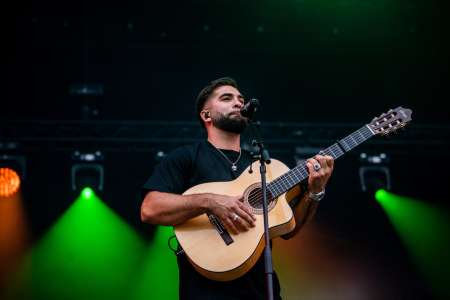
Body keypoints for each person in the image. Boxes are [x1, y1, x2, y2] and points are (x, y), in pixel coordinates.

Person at [140, 77, 334, 299]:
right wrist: (210, 202)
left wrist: (314, 192)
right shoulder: (186, 157)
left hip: (263, 291)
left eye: (240, 99)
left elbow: (290, 228)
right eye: (227, 98)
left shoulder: (266, 167)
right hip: (205, 293)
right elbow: (149, 209)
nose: (238, 103)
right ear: (206, 115)